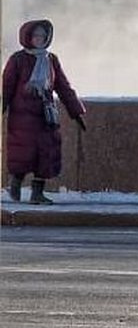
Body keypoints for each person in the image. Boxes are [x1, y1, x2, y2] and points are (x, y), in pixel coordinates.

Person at [3, 19, 86, 205]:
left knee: (46, 154)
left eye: (43, 35)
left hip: (45, 115)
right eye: (36, 35)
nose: (40, 39)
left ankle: (37, 193)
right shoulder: (17, 60)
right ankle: (15, 185)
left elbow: (63, 86)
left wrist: (76, 111)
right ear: (27, 37)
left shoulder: (50, 59)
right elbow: (6, 88)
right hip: (22, 117)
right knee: (23, 153)